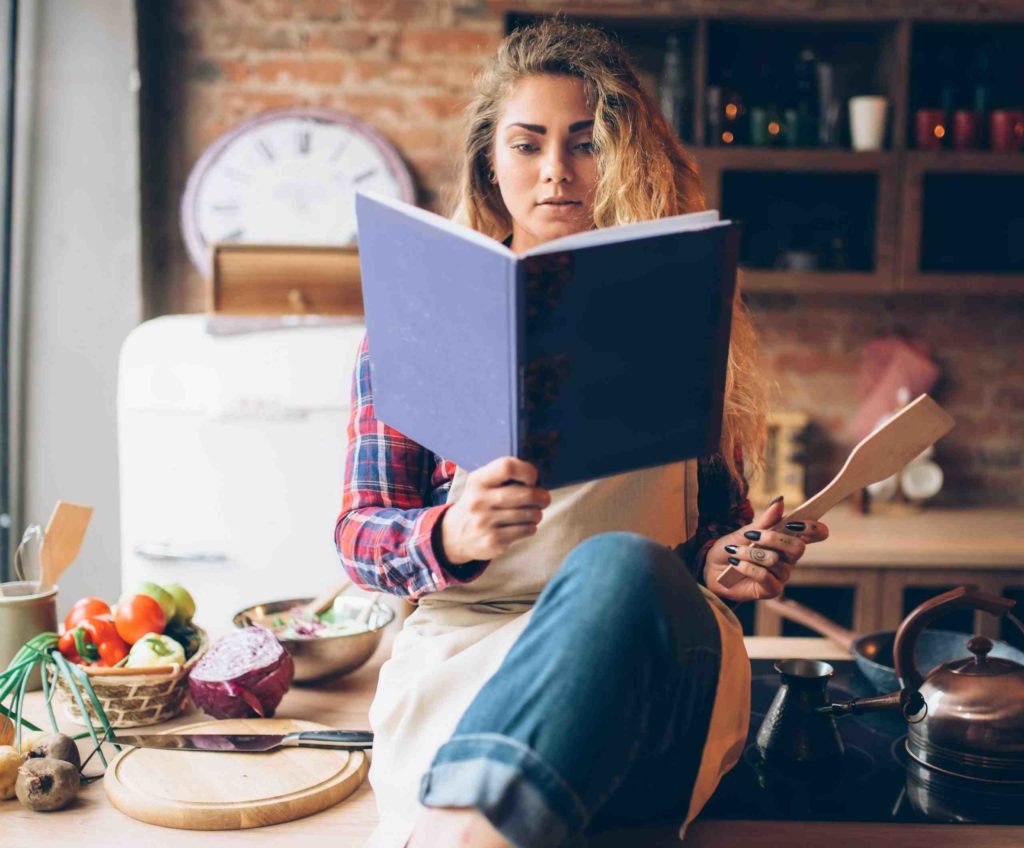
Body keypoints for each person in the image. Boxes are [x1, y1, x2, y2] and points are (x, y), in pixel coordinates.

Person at [335, 17, 829, 848]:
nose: (557, 171)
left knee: (619, 563)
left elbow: (711, 535)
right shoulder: (417, 325)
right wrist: (449, 531)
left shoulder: (685, 312)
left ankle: (467, 833)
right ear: (492, 162)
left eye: (586, 143)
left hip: (659, 662)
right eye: (528, 145)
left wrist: (733, 556)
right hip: (472, 661)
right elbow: (358, 532)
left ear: (624, 155)